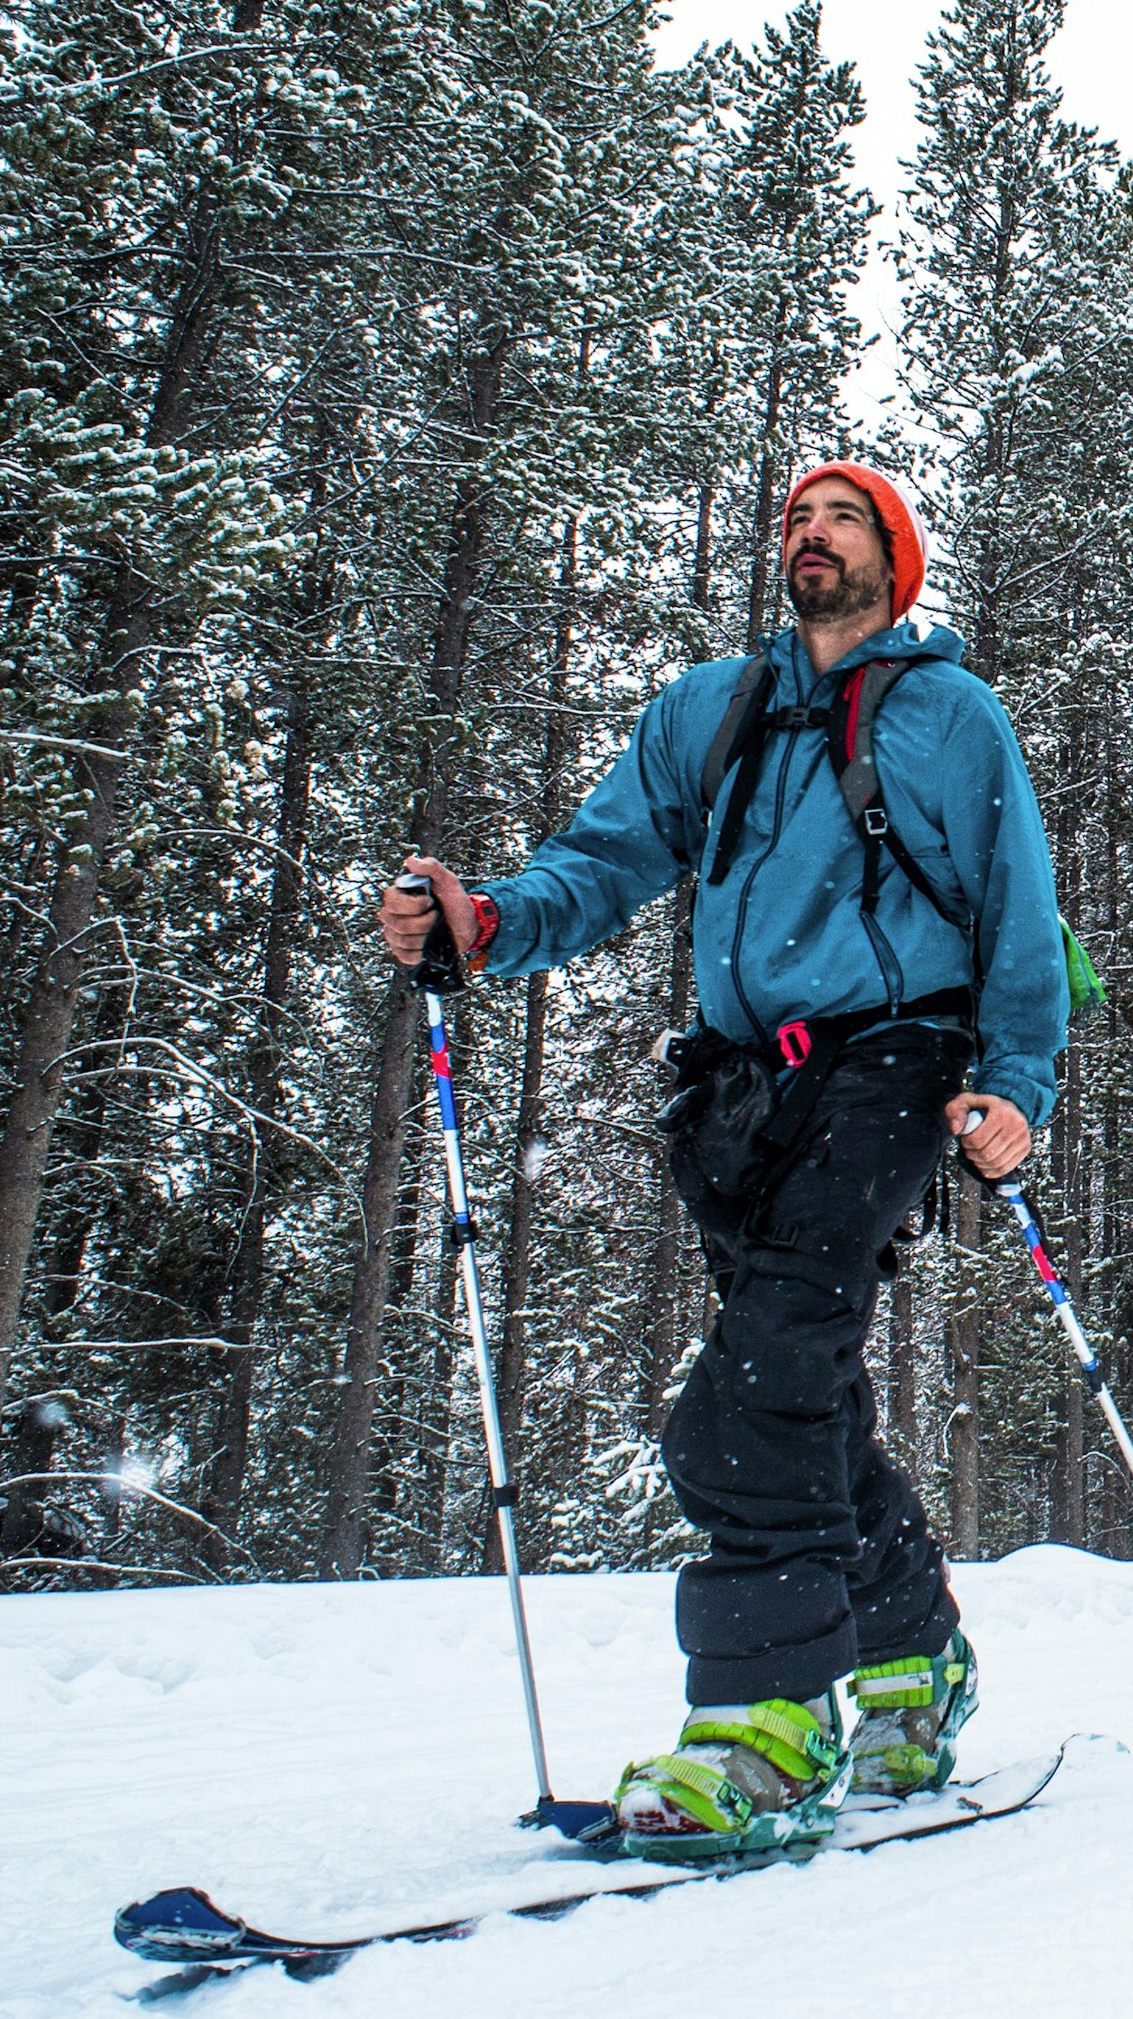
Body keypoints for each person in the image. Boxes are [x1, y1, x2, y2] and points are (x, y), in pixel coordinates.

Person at [375, 461, 1065, 1857]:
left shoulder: (947, 714)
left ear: (896, 559)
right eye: (796, 518)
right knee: (805, 1384)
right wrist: (492, 922)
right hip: (740, 1090)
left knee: (747, 1391)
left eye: (842, 518)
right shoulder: (711, 707)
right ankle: (915, 1655)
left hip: (896, 1063)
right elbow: (607, 859)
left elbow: (1018, 917)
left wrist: (1013, 1087)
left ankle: (771, 1715)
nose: (809, 535)